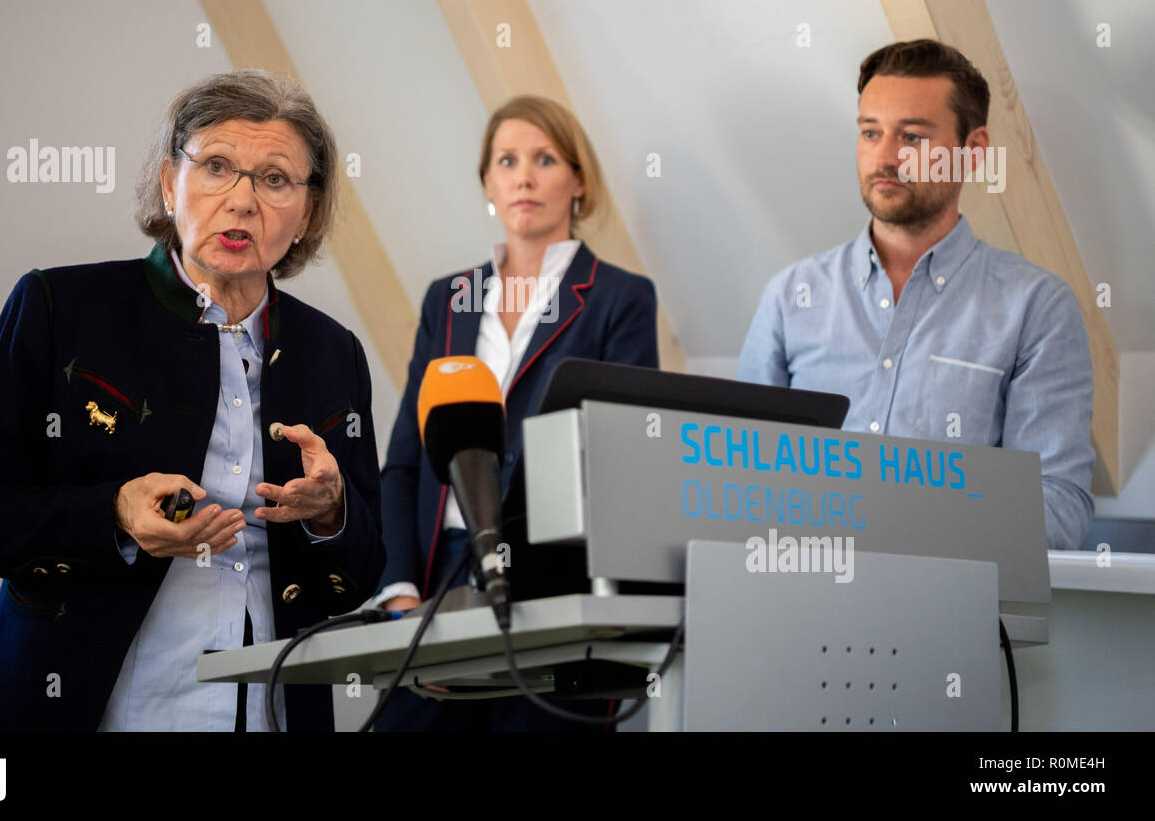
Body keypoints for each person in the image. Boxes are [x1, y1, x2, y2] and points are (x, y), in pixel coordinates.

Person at [0, 70, 385, 730]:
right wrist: (113, 514)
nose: (242, 200)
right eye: (218, 167)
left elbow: (365, 570)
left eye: (275, 179)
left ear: (308, 211)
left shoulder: (331, 351)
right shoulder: (63, 309)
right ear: (171, 184)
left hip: (270, 711)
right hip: (96, 707)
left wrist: (331, 512)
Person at [373, 95, 659, 731]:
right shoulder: (447, 301)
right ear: (487, 183)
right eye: (507, 160)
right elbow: (403, 463)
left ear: (578, 181)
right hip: (437, 578)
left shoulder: (619, 298)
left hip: (552, 582)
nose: (524, 176)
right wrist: (398, 587)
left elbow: (633, 461)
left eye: (545, 159)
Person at [738, 39, 1094, 549]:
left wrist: (906, 527)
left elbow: (1057, 509)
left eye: (912, 137)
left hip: (952, 613)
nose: (884, 157)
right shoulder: (790, 297)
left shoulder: (1037, 309)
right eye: (869, 132)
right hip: (800, 597)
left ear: (972, 153)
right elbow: (736, 475)